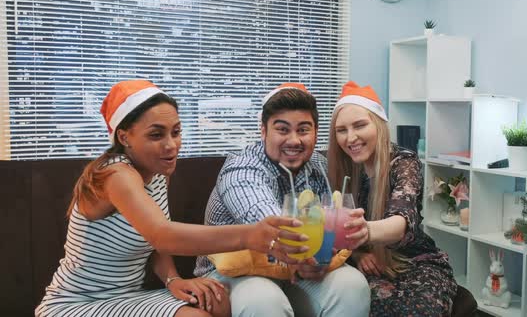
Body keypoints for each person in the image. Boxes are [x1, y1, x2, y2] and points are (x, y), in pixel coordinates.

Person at [35, 80, 307, 317]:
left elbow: (153, 241)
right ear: (124, 136)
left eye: (175, 132)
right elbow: (162, 235)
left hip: (129, 296)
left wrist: (173, 279)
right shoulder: (115, 174)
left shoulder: (155, 170)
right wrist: (250, 235)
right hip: (76, 304)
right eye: (156, 135)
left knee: (219, 303)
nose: (170, 145)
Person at [194, 83, 371, 317]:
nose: (294, 140)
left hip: (298, 266)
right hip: (232, 270)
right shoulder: (241, 168)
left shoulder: (318, 165)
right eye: (283, 129)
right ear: (264, 131)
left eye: (303, 130)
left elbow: (329, 221)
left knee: (352, 284)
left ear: (316, 133)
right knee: (264, 300)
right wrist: (307, 254)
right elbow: (270, 224)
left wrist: (345, 243)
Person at [327, 81, 457, 316]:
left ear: (379, 124)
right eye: (342, 130)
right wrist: (357, 253)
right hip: (368, 264)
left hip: (414, 262)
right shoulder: (342, 167)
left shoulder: (405, 163)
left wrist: (363, 231)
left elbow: (400, 221)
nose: (351, 138)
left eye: (360, 125)